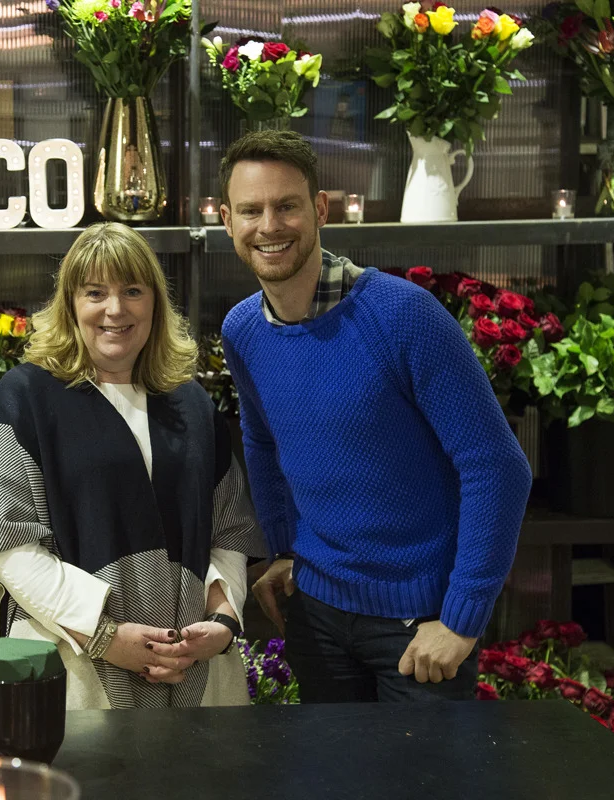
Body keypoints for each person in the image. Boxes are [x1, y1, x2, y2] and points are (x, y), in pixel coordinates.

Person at [216, 131, 533, 703]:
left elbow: (497, 467)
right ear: (226, 220)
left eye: (287, 206)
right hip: (316, 614)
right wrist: (284, 549)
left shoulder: (403, 315)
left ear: (320, 209)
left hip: (418, 623)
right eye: (250, 210)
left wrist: (461, 619)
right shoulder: (242, 330)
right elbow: (262, 443)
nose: (269, 226)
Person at [0, 222, 267, 709]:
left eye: (132, 291)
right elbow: (6, 543)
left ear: (155, 302)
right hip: (73, 670)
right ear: (70, 304)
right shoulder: (27, 397)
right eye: (95, 293)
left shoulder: (191, 405)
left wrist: (221, 621)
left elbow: (230, 531)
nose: (115, 309)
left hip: (192, 669)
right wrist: (105, 635)